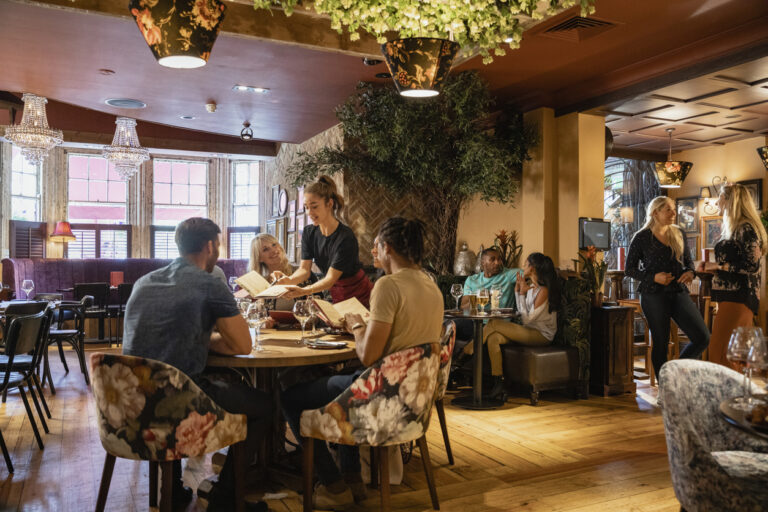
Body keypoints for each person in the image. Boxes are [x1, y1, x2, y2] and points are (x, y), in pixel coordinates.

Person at [281, 217, 444, 510]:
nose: (372, 251)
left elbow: (369, 357)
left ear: (389, 248)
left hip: (381, 398)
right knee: (341, 380)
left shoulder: (387, 285)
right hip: (412, 402)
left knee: (291, 397)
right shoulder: (431, 285)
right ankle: (352, 475)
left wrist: (356, 326)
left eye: (377, 245)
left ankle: (334, 485)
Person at [122, 217, 272, 511]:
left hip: (132, 407)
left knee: (177, 378)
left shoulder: (144, 282)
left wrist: (198, 338)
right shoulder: (208, 284)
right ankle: (226, 496)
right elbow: (243, 345)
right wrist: (209, 339)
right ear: (210, 246)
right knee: (266, 406)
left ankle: (173, 491)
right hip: (180, 404)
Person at [625, 196, 710, 384]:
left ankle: (675, 373)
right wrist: (653, 277)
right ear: (655, 212)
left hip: (678, 292)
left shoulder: (678, 232)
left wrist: (690, 272)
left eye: (673, 209)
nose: (674, 213)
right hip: (652, 294)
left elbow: (689, 262)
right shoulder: (642, 237)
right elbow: (629, 269)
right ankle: (666, 388)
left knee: (702, 337)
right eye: (668, 209)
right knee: (661, 342)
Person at [461, 252, 561, 400]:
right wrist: (518, 291)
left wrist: (520, 294)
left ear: (532, 268)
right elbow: (523, 313)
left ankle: (466, 352)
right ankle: (499, 383)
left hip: (541, 335)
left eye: (525, 264)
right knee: (493, 338)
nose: (522, 267)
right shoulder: (532, 288)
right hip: (528, 331)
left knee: (494, 323)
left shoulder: (543, 291)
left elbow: (526, 320)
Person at [273, 176, 374, 307]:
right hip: (337, 293)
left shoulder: (345, 236)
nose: (309, 212)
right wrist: (289, 280)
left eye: (314, 207)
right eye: (306, 207)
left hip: (361, 295)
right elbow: (304, 270)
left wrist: (304, 291)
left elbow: (330, 279)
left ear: (329, 204)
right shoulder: (309, 233)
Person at [699, 183, 767, 366]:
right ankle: (733, 393)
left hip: (740, 296)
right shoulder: (735, 228)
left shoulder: (746, 228)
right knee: (730, 355)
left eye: (720, 197)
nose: (718, 202)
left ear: (731, 201)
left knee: (722, 353)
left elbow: (752, 266)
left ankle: (729, 393)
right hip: (730, 297)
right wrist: (714, 267)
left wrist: (720, 267)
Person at [454, 247, 521, 340]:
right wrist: (481, 298)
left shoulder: (509, 275)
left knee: (479, 335)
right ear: (483, 263)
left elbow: (532, 272)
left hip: (497, 323)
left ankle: (467, 350)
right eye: (492, 259)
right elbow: (464, 307)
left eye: (499, 259)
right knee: (449, 325)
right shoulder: (472, 280)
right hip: (474, 322)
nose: (497, 262)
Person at [246, 233, 297, 313]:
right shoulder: (261, 283)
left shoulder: (300, 273)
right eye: (266, 249)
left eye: (274, 244)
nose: (274, 250)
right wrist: (266, 320)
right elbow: (260, 314)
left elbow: (316, 306)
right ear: (259, 258)